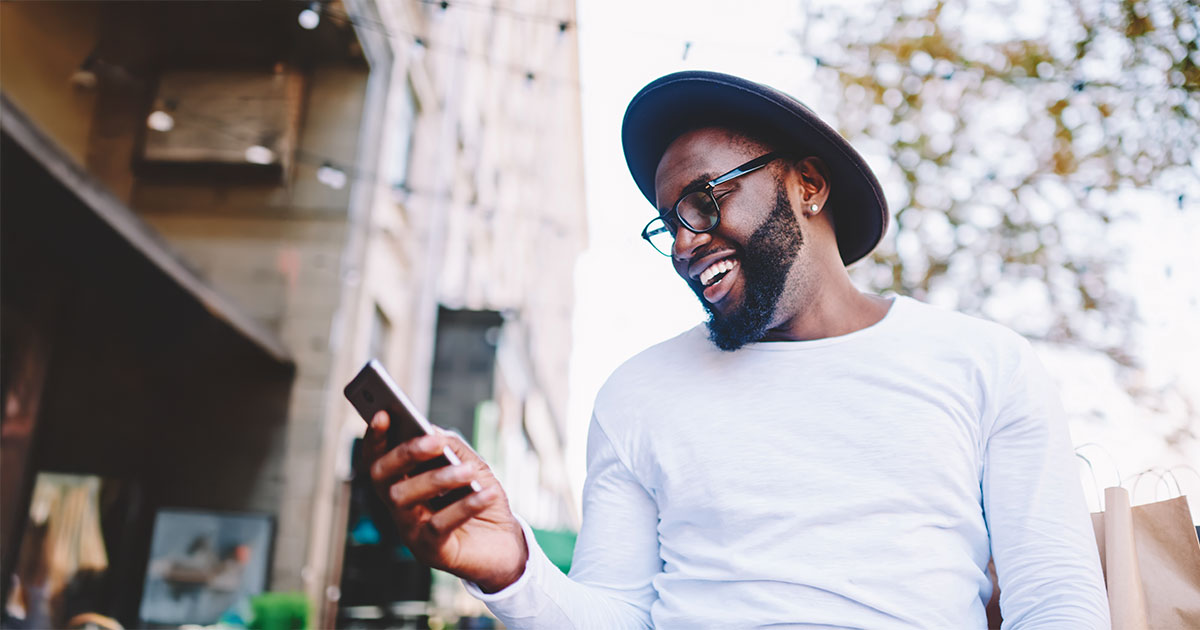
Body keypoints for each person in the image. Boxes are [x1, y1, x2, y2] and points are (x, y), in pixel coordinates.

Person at [362, 71, 1111, 628]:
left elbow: (1056, 602)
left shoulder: (986, 365)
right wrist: (515, 569)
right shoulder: (638, 394)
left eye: (703, 200)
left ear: (807, 185)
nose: (686, 242)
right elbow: (619, 614)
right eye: (668, 223)